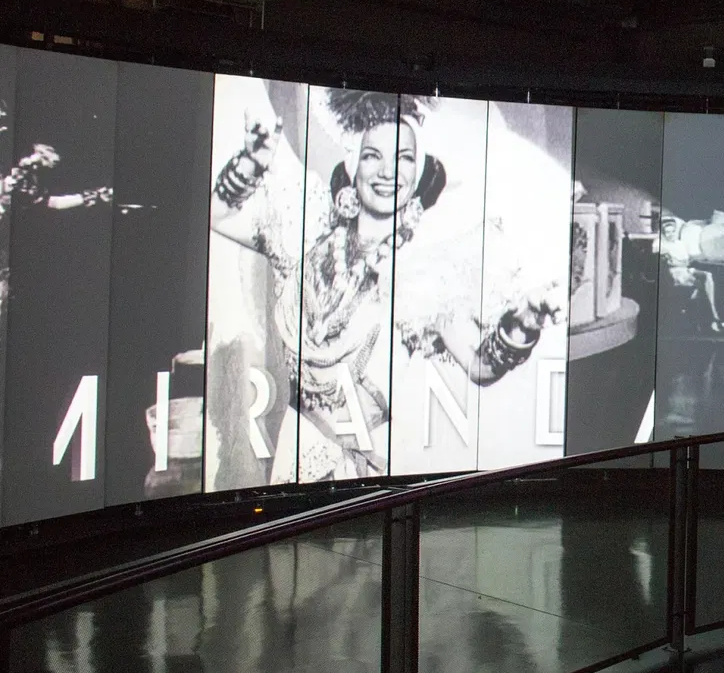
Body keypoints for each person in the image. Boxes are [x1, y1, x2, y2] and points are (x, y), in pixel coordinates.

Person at [210, 91, 562, 482]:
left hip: (371, 470)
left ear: (418, 176)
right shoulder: (306, 239)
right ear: (353, 166)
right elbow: (218, 217)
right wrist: (249, 164)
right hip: (295, 459)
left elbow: (481, 366)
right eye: (373, 155)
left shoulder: (424, 277)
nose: (387, 172)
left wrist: (525, 322)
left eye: (403, 158)